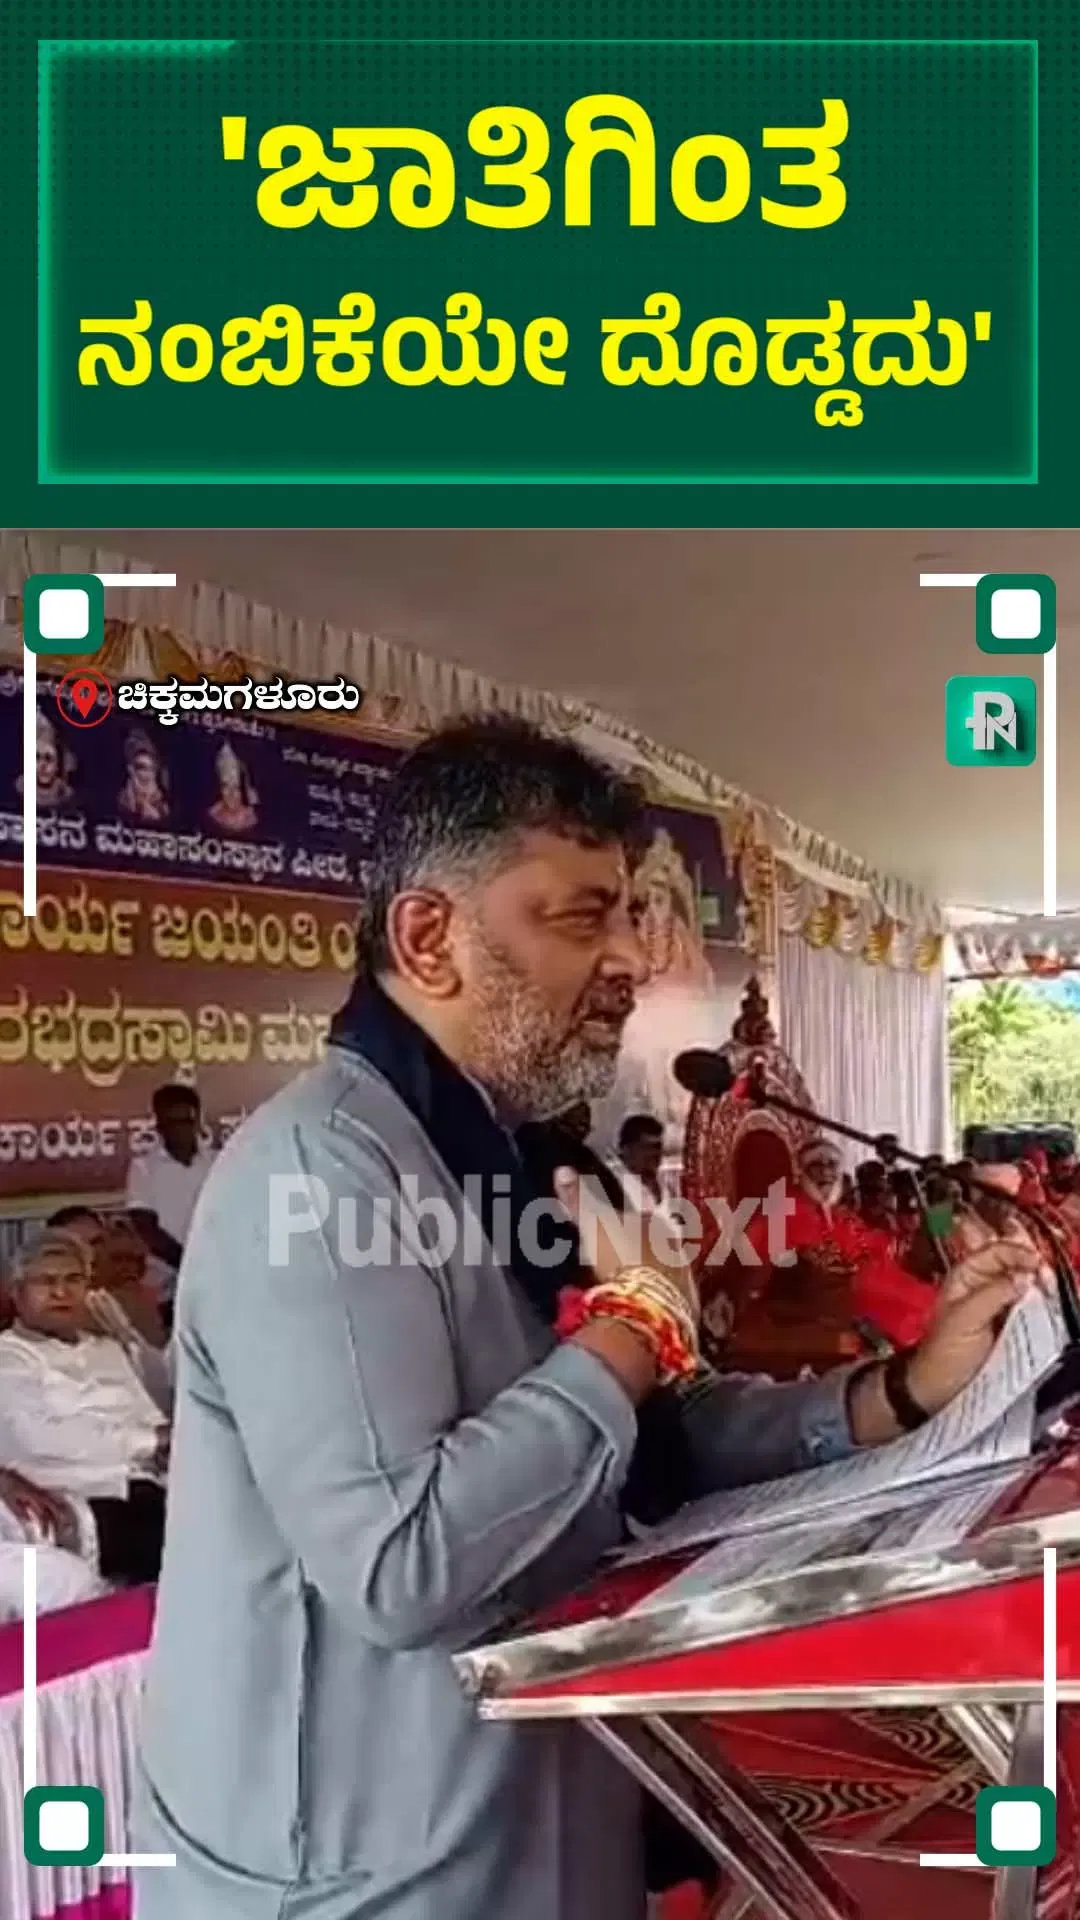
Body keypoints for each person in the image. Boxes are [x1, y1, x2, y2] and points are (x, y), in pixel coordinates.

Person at [135, 715, 1048, 1920]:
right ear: (429, 939)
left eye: (629, 916)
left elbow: (641, 1437)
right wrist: (634, 1324)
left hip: (544, 1823)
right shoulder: (319, 1174)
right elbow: (403, 1567)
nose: (630, 960)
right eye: (582, 918)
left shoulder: (518, 1157)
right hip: (369, 1876)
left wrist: (902, 1391)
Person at [0, 1230, 169, 1584]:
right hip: (83, 1492)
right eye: (46, 1282)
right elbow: (41, 1438)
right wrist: (150, 1441)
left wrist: (165, 1447)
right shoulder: (9, 1357)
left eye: (73, 1280)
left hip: (150, 1483)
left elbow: (149, 1416)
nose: (61, 1292)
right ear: (17, 1293)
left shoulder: (107, 1350)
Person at [126, 1084, 216, 1287]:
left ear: (198, 1121)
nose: (179, 1129)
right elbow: (145, 1228)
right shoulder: (143, 1167)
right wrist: (189, 1264)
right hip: (164, 1280)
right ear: (159, 1125)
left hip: (215, 1271)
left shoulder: (219, 1162)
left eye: (186, 1121)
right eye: (172, 1122)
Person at [615, 1113, 666, 1209]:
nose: (654, 1153)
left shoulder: (661, 1184)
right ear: (626, 1149)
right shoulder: (611, 1184)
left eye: (657, 1146)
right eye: (646, 1147)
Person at [207, 740, 260, 833]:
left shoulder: (251, 818)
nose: (231, 794)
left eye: (236, 787)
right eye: (226, 786)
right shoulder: (213, 814)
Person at [118, 729, 170, 823]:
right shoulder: (123, 800)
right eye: (141, 768)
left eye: (151, 768)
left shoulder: (162, 806)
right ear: (131, 769)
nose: (146, 774)